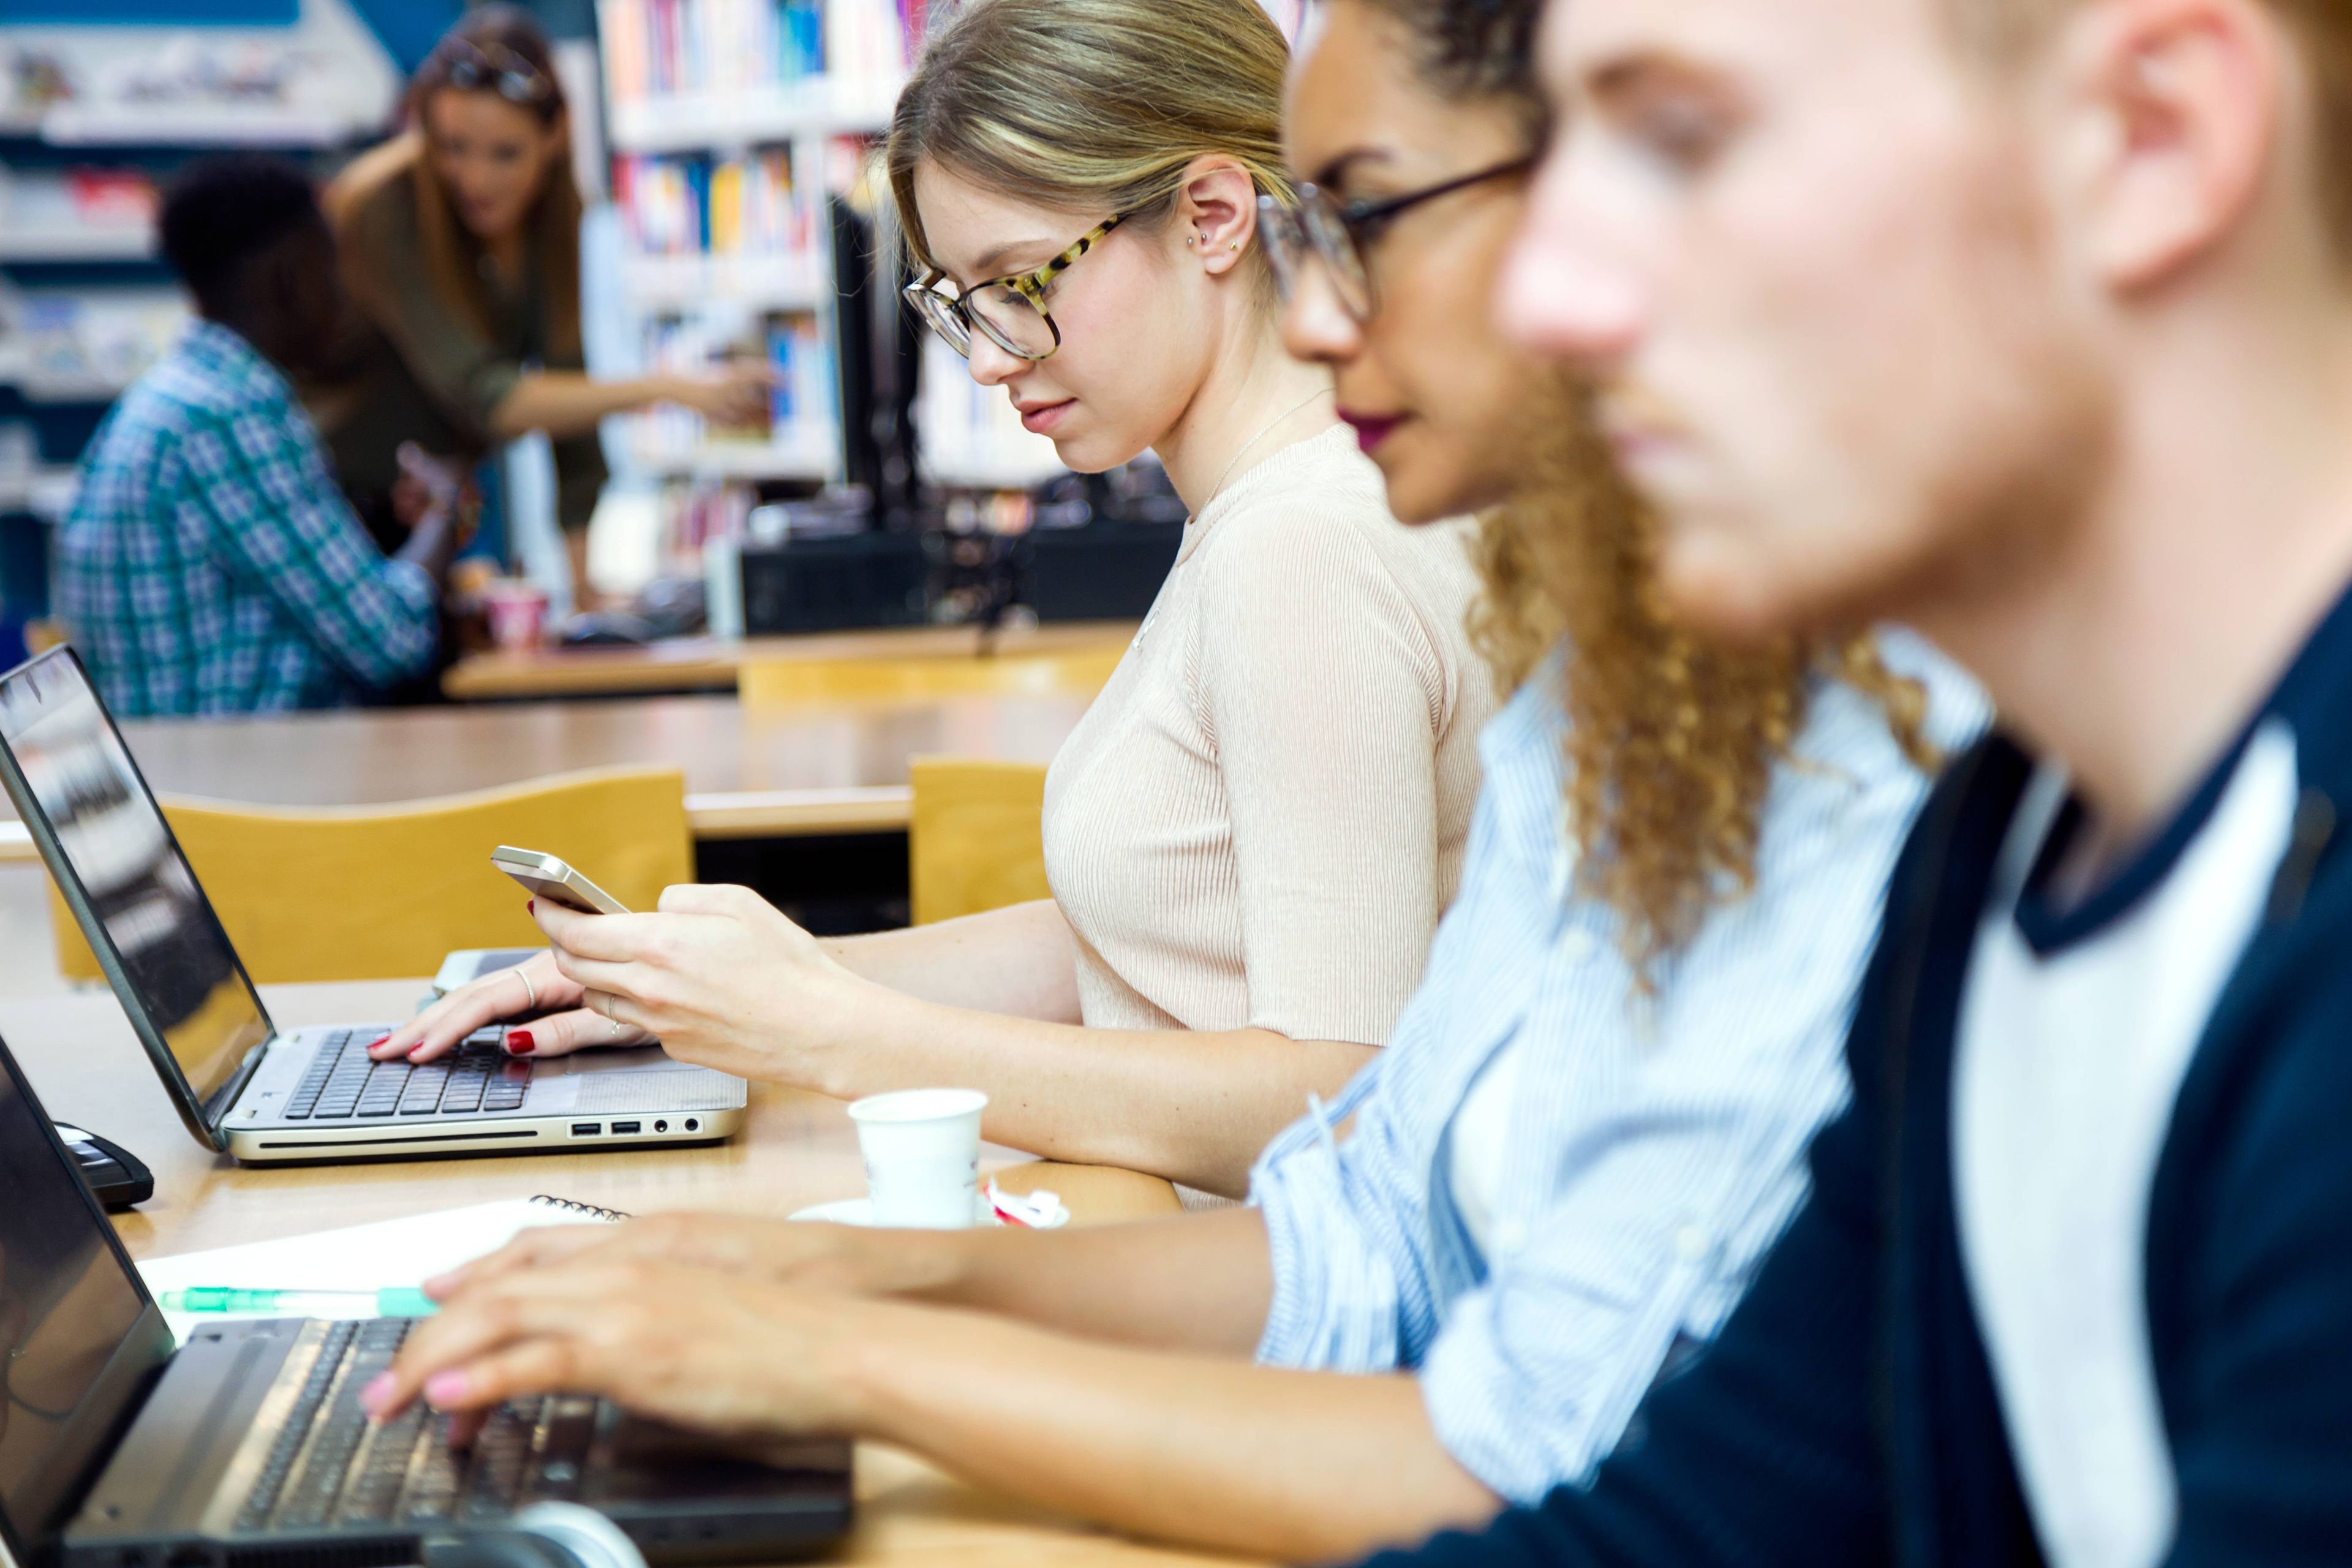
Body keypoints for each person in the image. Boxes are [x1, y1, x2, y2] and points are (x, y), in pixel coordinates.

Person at [354, 2, 1985, 1558]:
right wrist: (796, 1202)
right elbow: (1339, 1187)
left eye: (1361, 223)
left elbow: (1415, 1250)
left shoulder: (1323, 544)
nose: (1323, 311)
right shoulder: (1590, 693)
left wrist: (837, 1142)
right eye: (960, 304)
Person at [1346, 0, 2352, 1562]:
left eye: (1680, 139)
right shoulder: (1997, 848)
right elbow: (1699, 1531)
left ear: (2150, 137)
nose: (1546, 295)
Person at [375, 0, 1495, 1204]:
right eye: (960, 302)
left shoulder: (1302, 542)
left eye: (1021, 282)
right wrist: (722, 986)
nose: (991, 357)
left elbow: (1335, 1100)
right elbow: (1168, 939)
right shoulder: (1269, 505)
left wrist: (828, 1033)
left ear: (1211, 216)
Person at [317, 6, 769, 594]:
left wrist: (585, 597)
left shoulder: (557, 213)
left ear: (554, 137)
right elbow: (490, 399)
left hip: (422, 516)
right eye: (452, 147)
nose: (474, 178)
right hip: (329, 516)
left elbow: (570, 414)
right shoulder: (381, 207)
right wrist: (669, 388)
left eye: (504, 153)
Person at [53, 156, 461, 717]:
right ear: (290, 279)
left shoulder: (179, 395)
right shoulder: (231, 416)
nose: (346, 298)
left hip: (198, 756)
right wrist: (443, 514)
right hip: (235, 768)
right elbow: (391, 640)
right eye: (333, 271)